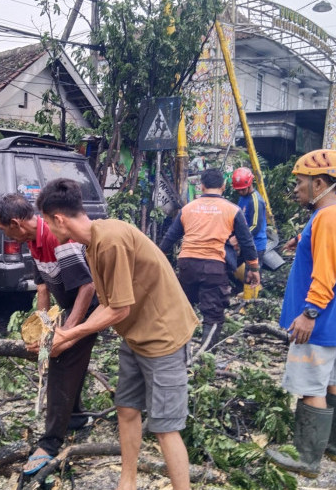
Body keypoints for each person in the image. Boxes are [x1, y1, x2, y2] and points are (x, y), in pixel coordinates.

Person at [35, 178, 198, 490]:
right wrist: (67, 335)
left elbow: (118, 311)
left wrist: (70, 335)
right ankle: (127, 482)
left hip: (163, 336)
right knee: (126, 408)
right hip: (136, 335)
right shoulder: (94, 242)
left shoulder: (109, 241)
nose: (47, 228)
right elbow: (107, 304)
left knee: (165, 427)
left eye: (46, 221)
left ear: (59, 219)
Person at [266, 149, 336, 478]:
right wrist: (301, 239)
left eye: (302, 182)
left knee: (311, 389)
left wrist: (309, 313)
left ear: (320, 182)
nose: (297, 189)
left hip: (318, 323)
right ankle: (331, 448)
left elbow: (325, 273)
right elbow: (333, 250)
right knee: (334, 382)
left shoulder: (328, 218)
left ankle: (306, 461)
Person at [0, 193, 99, 475]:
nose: (3, 234)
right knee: (61, 357)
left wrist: (66, 333)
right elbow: (43, 288)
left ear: (15, 223)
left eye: (3, 228)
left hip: (89, 308)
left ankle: (50, 443)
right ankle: (75, 417)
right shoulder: (32, 241)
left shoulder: (55, 238)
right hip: (70, 306)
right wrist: (42, 327)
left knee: (62, 361)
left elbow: (87, 288)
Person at [159, 168, 260, 350]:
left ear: (202, 186)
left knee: (184, 308)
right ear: (223, 186)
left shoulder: (187, 209)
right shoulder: (232, 210)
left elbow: (169, 238)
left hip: (187, 264)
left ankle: (179, 351)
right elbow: (246, 242)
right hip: (214, 267)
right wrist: (254, 269)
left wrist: (158, 260)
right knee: (213, 314)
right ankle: (204, 357)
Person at [231, 167, 268, 264]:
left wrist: (239, 238)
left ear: (250, 184)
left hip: (256, 245)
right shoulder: (243, 197)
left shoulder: (256, 201)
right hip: (245, 243)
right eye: (238, 190)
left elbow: (255, 226)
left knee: (252, 276)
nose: (240, 192)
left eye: (242, 190)